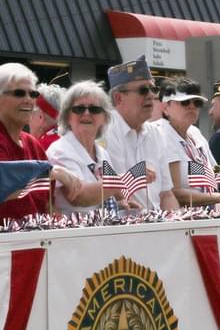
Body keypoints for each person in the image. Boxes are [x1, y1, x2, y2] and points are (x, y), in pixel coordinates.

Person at [0, 62, 82, 220]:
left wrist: (66, 230)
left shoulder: (33, 144)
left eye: (33, 94)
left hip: (36, 237)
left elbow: (46, 205)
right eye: (19, 93)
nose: (28, 100)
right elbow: (1, 190)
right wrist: (48, 173)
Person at [158, 77, 220, 206]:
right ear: (165, 107)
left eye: (197, 102)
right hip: (181, 219)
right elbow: (174, 193)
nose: (191, 106)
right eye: (184, 102)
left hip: (207, 215)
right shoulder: (162, 134)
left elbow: (215, 173)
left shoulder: (195, 133)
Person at [103, 56, 179, 211]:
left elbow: (167, 195)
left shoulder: (155, 133)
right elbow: (117, 193)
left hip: (156, 223)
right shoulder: (106, 131)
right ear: (119, 98)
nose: (151, 95)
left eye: (153, 89)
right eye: (143, 90)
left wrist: (175, 224)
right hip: (127, 226)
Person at [46, 81, 134, 213]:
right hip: (73, 231)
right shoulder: (60, 150)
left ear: (104, 118)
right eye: (79, 109)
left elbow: (108, 192)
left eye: (94, 109)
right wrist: (130, 176)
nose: (86, 113)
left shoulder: (102, 153)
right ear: (67, 116)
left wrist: (122, 203)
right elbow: (78, 196)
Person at [29, 82, 64, 150]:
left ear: (40, 117)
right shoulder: (75, 139)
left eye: (30, 114)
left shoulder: (40, 148)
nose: (27, 122)